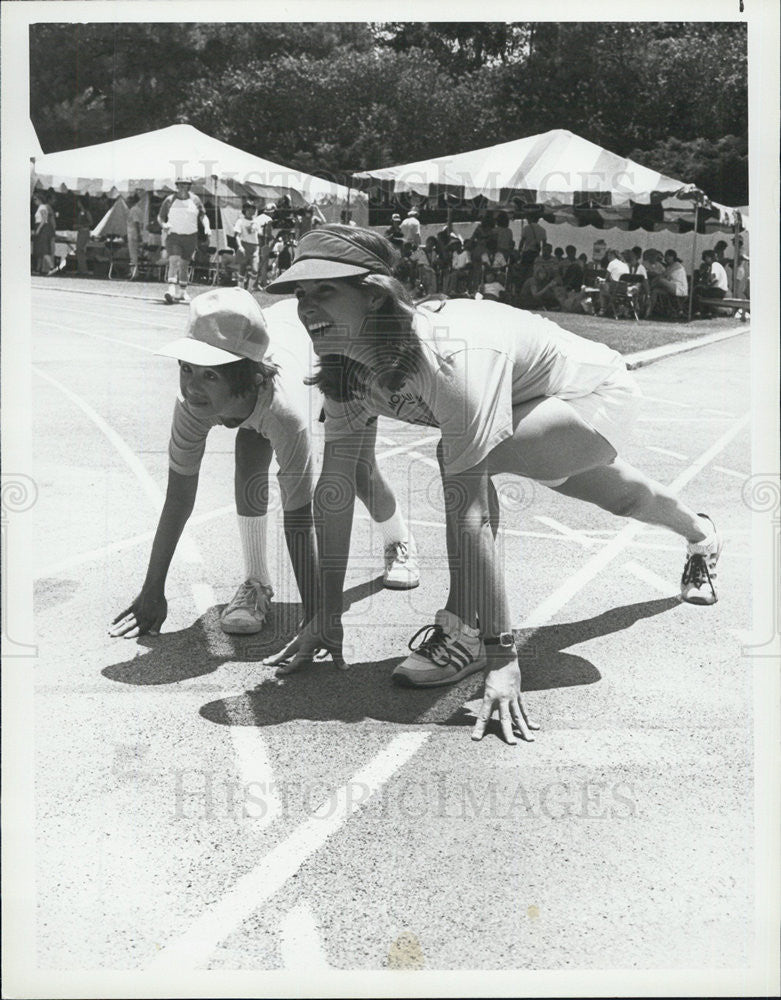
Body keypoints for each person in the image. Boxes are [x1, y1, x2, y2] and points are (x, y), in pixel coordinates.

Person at [262, 224, 722, 747]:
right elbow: (336, 490)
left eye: (325, 291)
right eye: (301, 294)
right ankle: (701, 533)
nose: (307, 307)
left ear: (373, 295)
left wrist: (504, 658)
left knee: (461, 467)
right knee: (624, 497)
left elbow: (471, 512)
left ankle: (465, 632)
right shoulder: (346, 369)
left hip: (594, 394)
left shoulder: (450, 359)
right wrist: (322, 615)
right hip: (533, 406)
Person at [109, 288, 420, 642]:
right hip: (265, 362)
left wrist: (317, 617)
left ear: (250, 378)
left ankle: (398, 540)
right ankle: (256, 581)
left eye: (209, 376)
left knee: (360, 470)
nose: (192, 387)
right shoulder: (193, 404)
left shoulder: (285, 414)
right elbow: (178, 497)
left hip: (332, 356)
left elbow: (299, 519)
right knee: (249, 451)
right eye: (186, 368)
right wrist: (153, 589)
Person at [158, 177, 211, 304]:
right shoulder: (169, 200)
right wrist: (163, 225)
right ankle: (171, 289)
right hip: (174, 236)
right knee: (174, 260)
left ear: (189, 186)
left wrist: (207, 227)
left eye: (185, 184)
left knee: (184, 265)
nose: (183, 187)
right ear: (177, 185)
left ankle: (182, 291)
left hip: (190, 236)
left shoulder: (195, 199)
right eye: (180, 184)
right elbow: (160, 217)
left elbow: (203, 215)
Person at [234, 202, 262, 289]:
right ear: (245, 210)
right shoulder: (240, 221)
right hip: (244, 245)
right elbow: (237, 236)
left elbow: (259, 235)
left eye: (254, 208)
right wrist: (240, 246)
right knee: (242, 269)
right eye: (250, 208)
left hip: (255, 247)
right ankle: (240, 289)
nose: (252, 210)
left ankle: (249, 289)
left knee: (255, 270)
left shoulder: (256, 222)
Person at [696, 249, 729, 316]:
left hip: (718, 291)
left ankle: (699, 311)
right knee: (701, 290)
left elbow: (715, 279)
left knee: (697, 290)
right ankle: (706, 311)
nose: (704, 261)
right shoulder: (717, 265)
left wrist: (707, 286)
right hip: (720, 290)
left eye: (705, 258)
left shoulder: (714, 265)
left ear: (709, 257)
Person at [32, 192, 56, 275]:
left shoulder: (42, 207)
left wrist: (38, 229)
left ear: (39, 199)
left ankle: (52, 267)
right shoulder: (41, 207)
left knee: (44, 249)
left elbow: (44, 219)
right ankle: (38, 269)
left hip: (42, 228)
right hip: (41, 227)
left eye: (35, 199)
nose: (34, 201)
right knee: (40, 249)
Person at [126, 191, 145, 280]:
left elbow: (136, 222)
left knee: (133, 254)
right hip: (135, 233)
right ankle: (134, 272)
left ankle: (134, 273)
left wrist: (138, 234)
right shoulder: (139, 209)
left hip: (133, 234)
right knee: (134, 254)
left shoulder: (134, 210)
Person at [75, 198, 94, 277]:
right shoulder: (80, 212)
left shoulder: (86, 212)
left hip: (84, 231)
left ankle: (84, 270)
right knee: (79, 251)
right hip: (80, 231)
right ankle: (81, 269)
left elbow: (91, 222)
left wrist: (81, 225)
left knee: (81, 250)